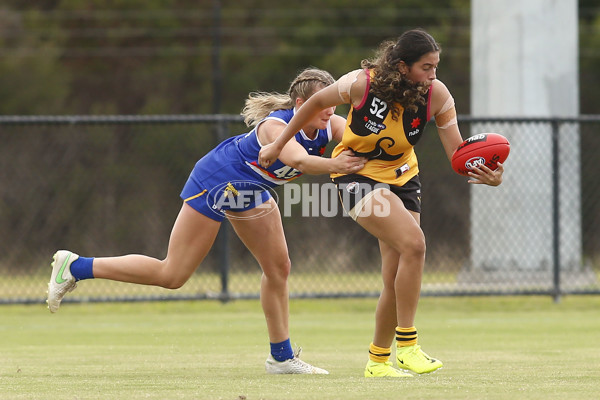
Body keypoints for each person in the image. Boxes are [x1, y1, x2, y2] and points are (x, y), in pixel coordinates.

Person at [46, 67, 366, 375]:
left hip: (252, 189)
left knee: (278, 267)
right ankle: (75, 267)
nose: (329, 110)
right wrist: (336, 163)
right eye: (322, 102)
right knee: (172, 274)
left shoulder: (330, 124)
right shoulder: (274, 126)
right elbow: (298, 160)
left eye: (332, 103)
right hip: (217, 180)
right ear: (301, 104)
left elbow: (361, 138)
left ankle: (281, 358)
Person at [258, 29, 504, 377]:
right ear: (402, 67)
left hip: (403, 177)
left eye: (436, 67)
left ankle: (377, 361)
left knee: (394, 275)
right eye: (426, 67)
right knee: (415, 245)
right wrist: (277, 143)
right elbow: (314, 103)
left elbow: (457, 155)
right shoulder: (360, 83)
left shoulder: (438, 95)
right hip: (356, 176)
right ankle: (408, 345)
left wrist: (487, 172)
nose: (433, 75)